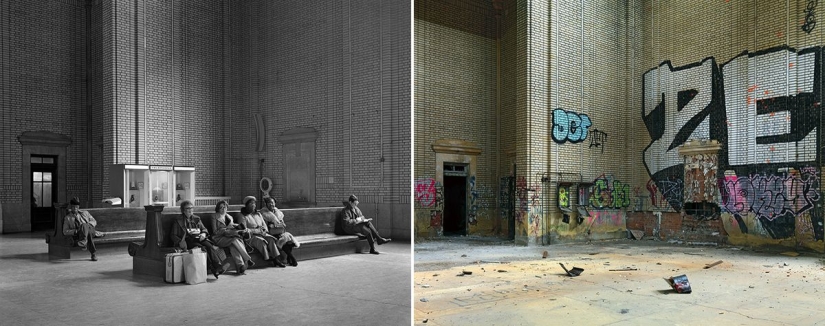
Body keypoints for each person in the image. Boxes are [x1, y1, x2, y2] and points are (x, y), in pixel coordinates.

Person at [169, 200, 226, 279]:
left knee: (209, 246)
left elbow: (204, 229)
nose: (190, 210)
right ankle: (214, 269)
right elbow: (173, 235)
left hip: (198, 238)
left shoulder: (197, 218)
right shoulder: (178, 220)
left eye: (191, 208)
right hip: (187, 240)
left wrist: (203, 234)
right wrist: (179, 242)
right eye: (187, 208)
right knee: (202, 248)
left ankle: (217, 266)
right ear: (183, 210)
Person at [208, 200, 255, 275]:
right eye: (221, 208)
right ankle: (248, 259)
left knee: (233, 246)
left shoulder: (229, 217)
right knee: (234, 240)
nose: (223, 209)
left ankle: (240, 267)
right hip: (218, 238)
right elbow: (215, 232)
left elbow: (232, 227)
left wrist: (236, 226)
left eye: (225, 207)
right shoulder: (214, 216)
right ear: (218, 209)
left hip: (228, 237)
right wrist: (226, 229)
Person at [239, 196, 286, 267]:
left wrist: (264, 230)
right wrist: (256, 231)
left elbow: (265, 226)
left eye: (254, 203)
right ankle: (268, 258)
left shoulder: (258, 214)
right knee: (262, 242)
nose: (253, 205)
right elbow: (244, 230)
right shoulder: (242, 216)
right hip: (251, 237)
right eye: (251, 203)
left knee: (271, 239)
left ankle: (276, 259)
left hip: (262, 234)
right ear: (246, 205)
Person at [260, 196, 301, 267]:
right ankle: (291, 258)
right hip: (270, 234)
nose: (271, 204)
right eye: (269, 203)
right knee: (283, 241)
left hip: (280, 232)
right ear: (266, 204)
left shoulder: (278, 213)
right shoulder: (264, 214)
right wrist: (274, 225)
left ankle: (289, 258)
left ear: (275, 203)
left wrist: (277, 225)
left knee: (288, 238)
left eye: (272, 203)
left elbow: (283, 225)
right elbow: (265, 227)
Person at [62, 197, 105, 261]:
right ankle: (93, 254)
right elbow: (65, 231)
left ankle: (84, 241)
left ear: (78, 207)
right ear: (71, 207)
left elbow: (94, 221)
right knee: (88, 233)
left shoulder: (85, 213)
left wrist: (87, 225)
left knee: (84, 225)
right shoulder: (68, 218)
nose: (75, 208)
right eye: (73, 207)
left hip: (91, 229)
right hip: (80, 233)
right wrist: (75, 231)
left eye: (76, 207)